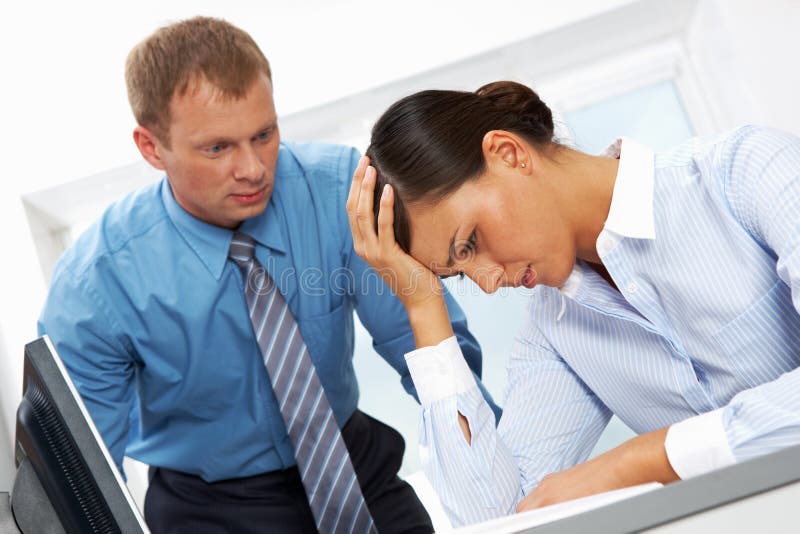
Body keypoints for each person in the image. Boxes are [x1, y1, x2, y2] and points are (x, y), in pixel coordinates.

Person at [37, 17, 498, 534]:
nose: (253, 168)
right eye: (218, 148)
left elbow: (428, 347)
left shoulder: (337, 191)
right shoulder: (97, 281)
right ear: (151, 148)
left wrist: (496, 477)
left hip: (354, 464)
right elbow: (81, 474)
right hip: (207, 507)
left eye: (264, 134)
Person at [347, 80, 800, 527]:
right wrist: (425, 306)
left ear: (509, 154)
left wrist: (635, 463)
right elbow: (497, 520)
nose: (486, 283)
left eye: (469, 242)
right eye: (457, 273)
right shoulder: (555, 330)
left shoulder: (747, 173)